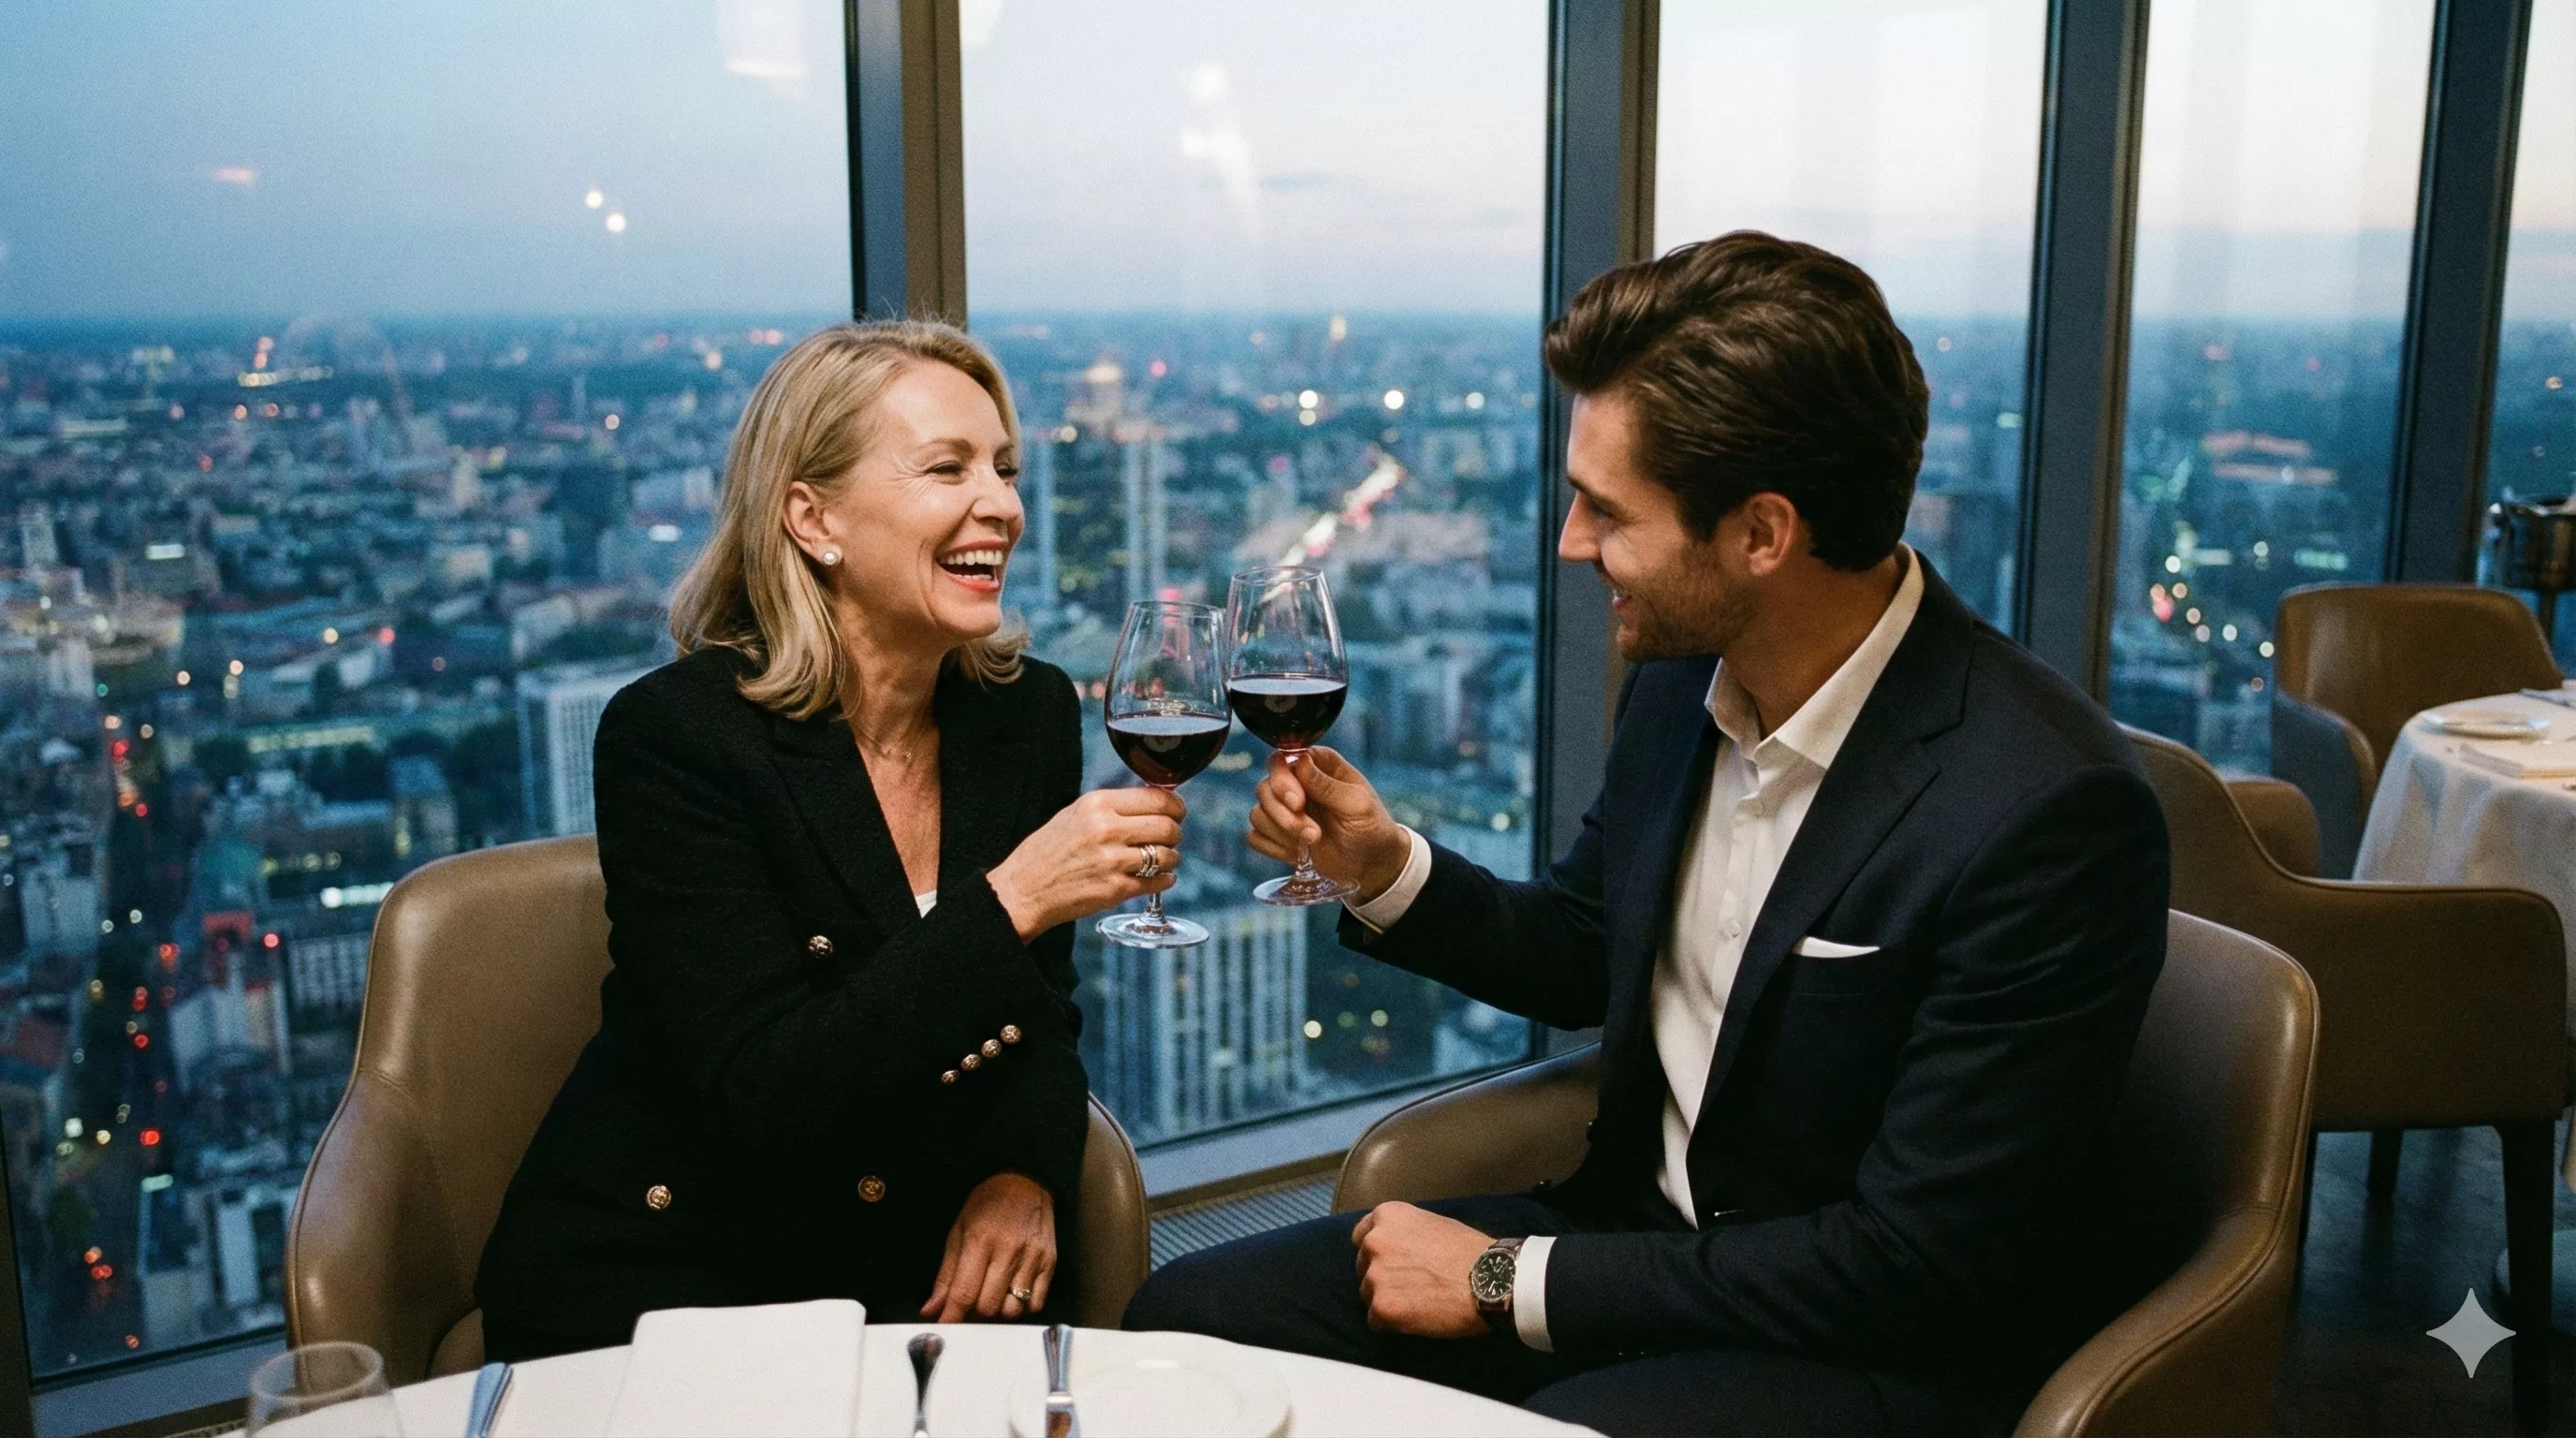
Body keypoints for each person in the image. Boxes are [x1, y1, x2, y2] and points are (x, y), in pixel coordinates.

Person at [1123, 233, 2171, 1436]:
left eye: (1607, 510)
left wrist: (1503, 1280)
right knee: (1185, 1331)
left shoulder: (2048, 809)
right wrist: (1382, 870)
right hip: (1631, 1252)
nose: (1571, 542)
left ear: (1761, 533)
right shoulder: (1688, 677)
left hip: (1866, 1351)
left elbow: (1918, 1262)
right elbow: (1585, 945)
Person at [476, 321, 1186, 1359]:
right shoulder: (677, 738)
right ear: (814, 519)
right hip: (686, 1274)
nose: (1001, 504)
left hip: (921, 1261)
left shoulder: (1022, 713)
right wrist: (1016, 900)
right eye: (946, 468)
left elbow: (1040, 1019)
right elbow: (762, 1096)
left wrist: (1022, 1172)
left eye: (1004, 468)